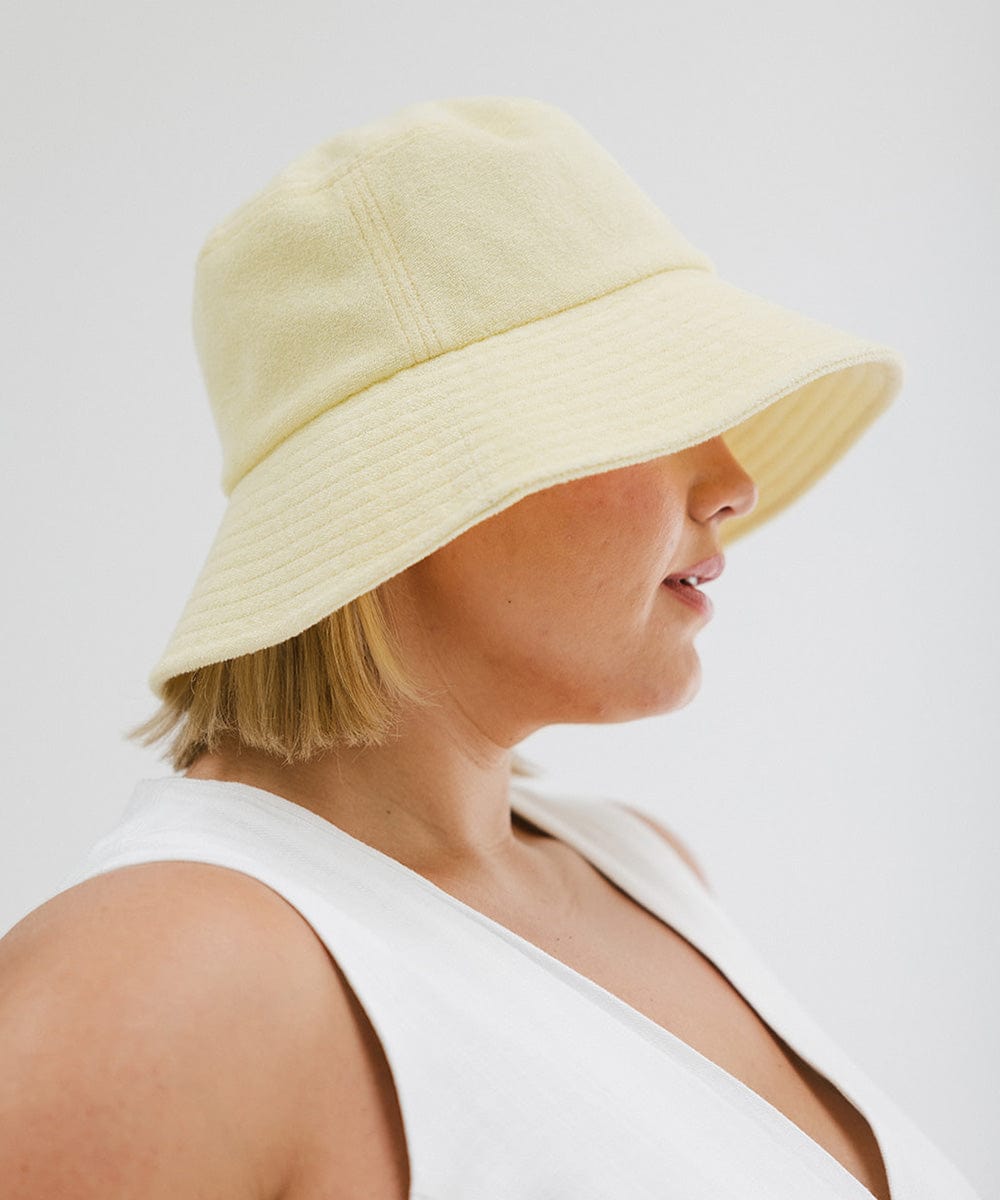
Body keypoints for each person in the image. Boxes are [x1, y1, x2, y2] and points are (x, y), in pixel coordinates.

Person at [0, 96, 981, 1200]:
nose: (734, 483)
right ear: (413, 491)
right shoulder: (164, 981)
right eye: (653, 403)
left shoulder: (635, 870)